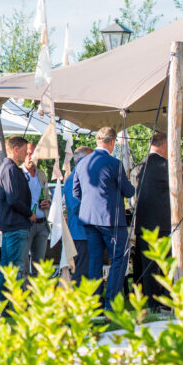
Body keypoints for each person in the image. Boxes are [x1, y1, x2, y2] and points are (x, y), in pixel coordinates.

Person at [73, 126, 136, 310]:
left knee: (95, 260)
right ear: (112, 142)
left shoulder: (82, 163)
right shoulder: (114, 163)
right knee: (119, 258)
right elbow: (129, 190)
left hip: (89, 220)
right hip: (111, 220)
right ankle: (111, 303)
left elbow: (76, 192)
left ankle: (94, 304)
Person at [130, 133, 183, 309]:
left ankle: (149, 302)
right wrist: (181, 171)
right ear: (164, 146)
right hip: (162, 224)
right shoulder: (166, 166)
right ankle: (164, 302)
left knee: (146, 265)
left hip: (141, 224)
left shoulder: (136, 168)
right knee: (164, 265)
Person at [0, 136, 35, 299]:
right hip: (16, 224)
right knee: (17, 267)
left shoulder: (6, 168)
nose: (26, 155)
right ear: (16, 149)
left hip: (11, 225)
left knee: (5, 267)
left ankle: (2, 303)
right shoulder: (10, 169)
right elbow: (13, 199)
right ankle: (20, 305)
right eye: (25, 151)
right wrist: (29, 213)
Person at [63, 146, 94, 282]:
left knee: (87, 270)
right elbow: (75, 206)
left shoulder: (80, 177)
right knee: (82, 271)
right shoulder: (74, 178)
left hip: (84, 232)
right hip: (80, 232)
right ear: (82, 160)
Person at [23, 142, 52, 276]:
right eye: (28, 153)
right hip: (26, 223)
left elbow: (47, 194)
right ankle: (23, 293)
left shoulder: (41, 174)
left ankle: (38, 294)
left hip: (42, 223)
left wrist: (48, 202)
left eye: (34, 154)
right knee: (23, 261)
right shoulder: (18, 173)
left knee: (39, 265)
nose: (31, 157)